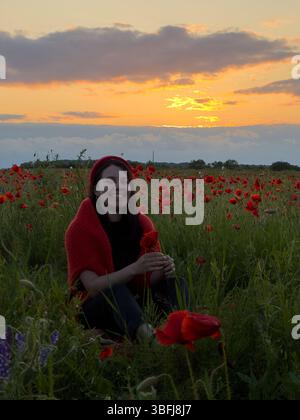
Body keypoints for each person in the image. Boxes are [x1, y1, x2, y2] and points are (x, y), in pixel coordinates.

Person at [65, 156, 189, 342]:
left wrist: (163, 268)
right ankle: (149, 339)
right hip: (97, 306)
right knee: (115, 289)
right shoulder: (80, 229)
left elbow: (149, 279)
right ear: (96, 189)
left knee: (176, 282)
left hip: (135, 300)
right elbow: (91, 287)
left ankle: (182, 330)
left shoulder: (142, 223)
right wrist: (134, 269)